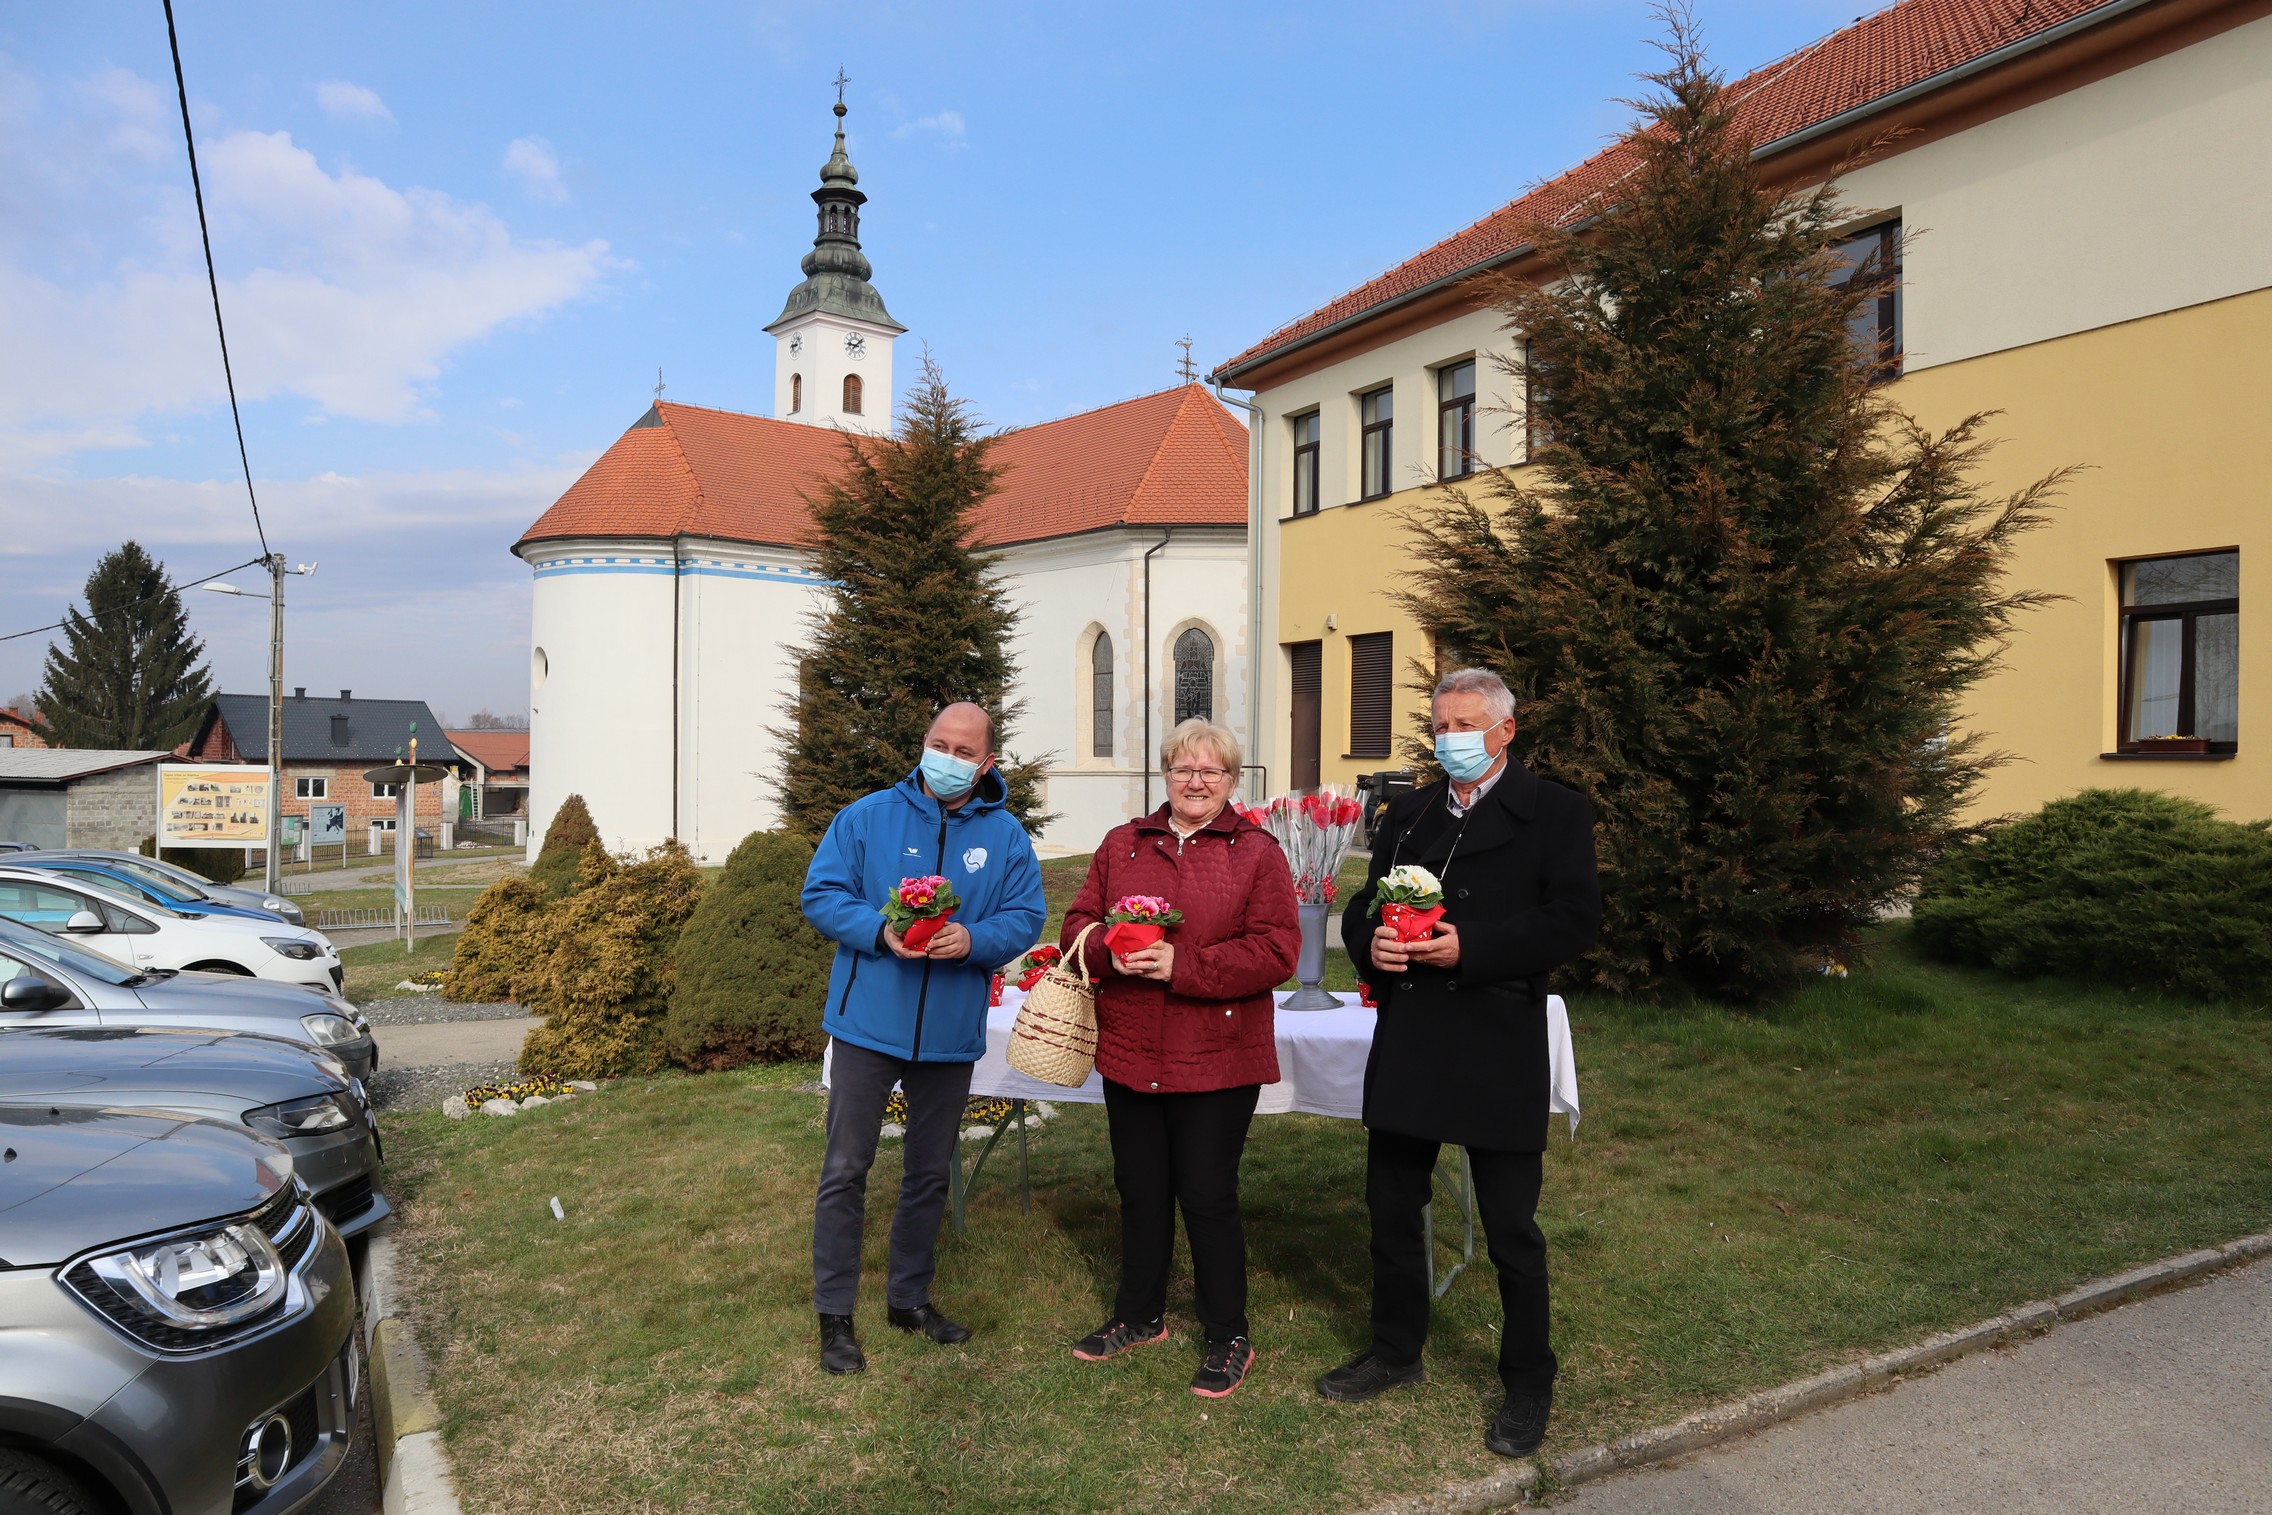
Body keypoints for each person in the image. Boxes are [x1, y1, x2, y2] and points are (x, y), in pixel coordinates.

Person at [1323, 669, 1601, 1459]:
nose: (1451, 736)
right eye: (1442, 722)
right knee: (1391, 1206)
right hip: (1412, 1037)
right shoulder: (1408, 811)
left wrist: (1472, 946)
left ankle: (1527, 1378)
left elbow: (1575, 917)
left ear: (1506, 731)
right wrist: (1369, 947)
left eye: (1468, 723)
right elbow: (1365, 905)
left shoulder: (1555, 810)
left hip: (1498, 1038)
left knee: (1513, 1225)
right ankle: (1395, 1349)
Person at [801, 702, 1047, 1375]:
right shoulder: (867, 816)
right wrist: (878, 931)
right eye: (939, 744)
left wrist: (974, 940)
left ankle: (908, 1299)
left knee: (929, 1171)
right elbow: (821, 894)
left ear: (986, 763)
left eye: (964, 750)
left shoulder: (1005, 837)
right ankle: (835, 1314)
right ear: (923, 745)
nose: (948, 758)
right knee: (847, 1167)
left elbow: (1026, 915)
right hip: (866, 1024)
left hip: (948, 1032)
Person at [1058, 718, 1299, 1399]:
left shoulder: (1255, 852)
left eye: (1211, 771)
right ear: (1166, 774)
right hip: (1132, 1046)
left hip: (1217, 1054)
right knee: (1139, 1188)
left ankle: (1228, 1333)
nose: (1196, 780)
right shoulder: (1123, 844)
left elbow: (1279, 949)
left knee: (1206, 1192)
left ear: (1231, 780)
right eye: (1183, 768)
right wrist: (1112, 948)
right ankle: (1139, 1315)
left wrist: (1180, 963)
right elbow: (1078, 924)